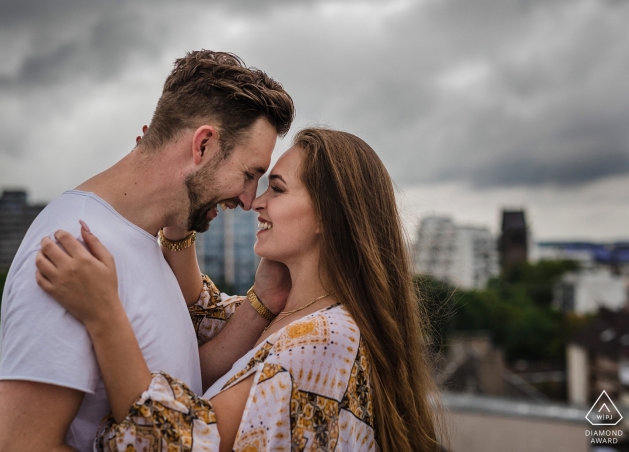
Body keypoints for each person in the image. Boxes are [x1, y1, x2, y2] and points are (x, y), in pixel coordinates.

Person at [36, 128, 447, 451]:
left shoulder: (326, 338)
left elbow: (172, 441)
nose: (256, 202)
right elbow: (197, 318)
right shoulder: (296, 312)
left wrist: (104, 315)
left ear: (329, 216)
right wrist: (182, 199)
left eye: (278, 189)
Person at [0, 50, 295, 452]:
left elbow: (180, 384)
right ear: (202, 145)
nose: (247, 198)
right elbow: (20, 447)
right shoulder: (74, 247)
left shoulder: (140, 241)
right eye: (249, 174)